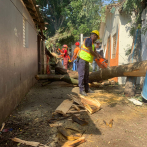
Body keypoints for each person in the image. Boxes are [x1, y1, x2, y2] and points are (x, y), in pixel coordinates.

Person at [77, 30, 101, 96]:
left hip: (86, 60)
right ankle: (81, 90)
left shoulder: (92, 43)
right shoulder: (88, 40)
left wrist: (100, 56)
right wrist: (96, 56)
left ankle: (87, 89)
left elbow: (95, 51)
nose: (96, 39)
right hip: (82, 59)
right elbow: (90, 51)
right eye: (96, 38)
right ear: (94, 35)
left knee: (86, 75)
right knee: (81, 75)